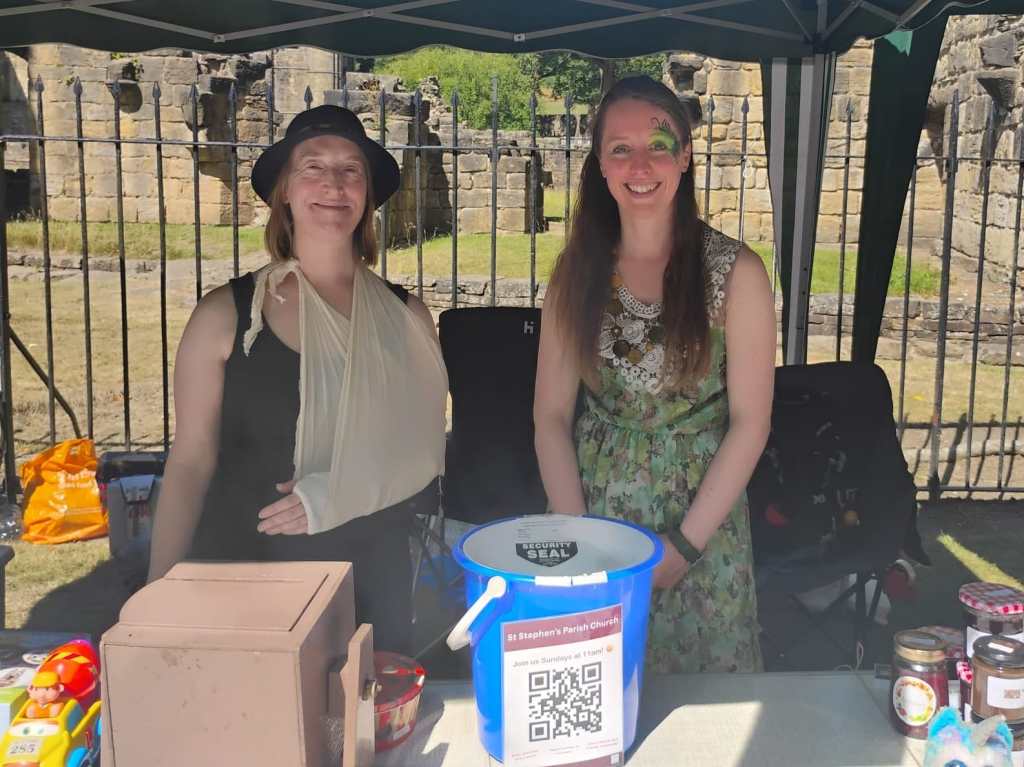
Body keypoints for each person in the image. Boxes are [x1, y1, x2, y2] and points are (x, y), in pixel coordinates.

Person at [147, 106, 448, 654]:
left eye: (351, 169)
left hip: (367, 585)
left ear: (368, 195)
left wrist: (332, 495)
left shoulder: (406, 317)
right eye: (313, 166)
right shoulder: (224, 317)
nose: (333, 184)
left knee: (362, 729)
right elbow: (190, 463)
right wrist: (156, 595)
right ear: (284, 190)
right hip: (245, 578)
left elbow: (423, 452)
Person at [533, 76, 775, 673]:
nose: (640, 164)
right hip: (593, 520)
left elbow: (751, 422)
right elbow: (550, 416)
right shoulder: (577, 273)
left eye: (659, 144)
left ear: (686, 156)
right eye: (620, 148)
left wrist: (685, 547)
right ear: (600, 163)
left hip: (703, 528)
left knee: (706, 718)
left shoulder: (736, 273)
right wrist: (579, 544)